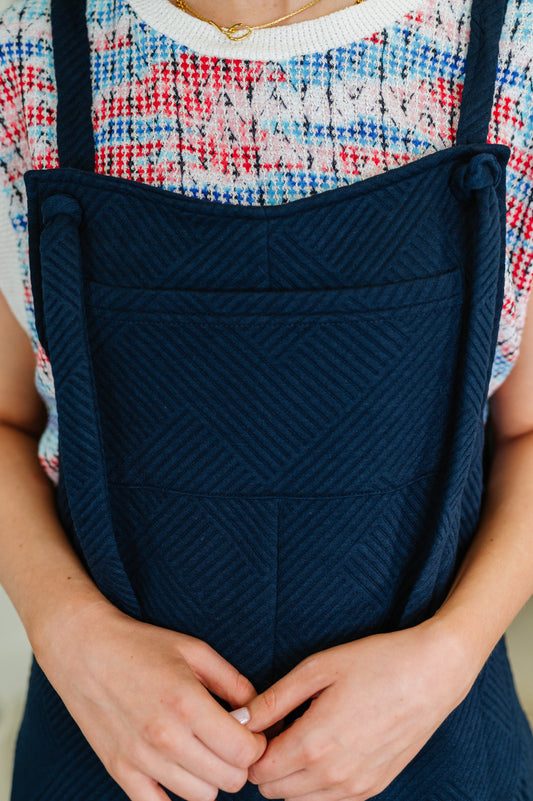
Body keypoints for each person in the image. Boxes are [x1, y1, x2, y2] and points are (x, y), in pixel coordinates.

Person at [0, 0, 532, 799]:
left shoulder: (511, 50)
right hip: (106, 749)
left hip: (435, 745)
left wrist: (448, 655)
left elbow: (527, 432)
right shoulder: (29, 49)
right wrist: (66, 629)